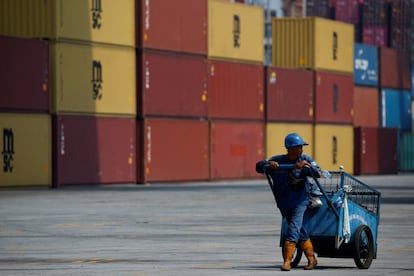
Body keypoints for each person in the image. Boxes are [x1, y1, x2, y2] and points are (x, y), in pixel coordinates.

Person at [256, 133, 320, 271]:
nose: (301, 149)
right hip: (283, 202)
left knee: (293, 228)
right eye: (299, 147)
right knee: (299, 229)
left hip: (300, 200)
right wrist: (268, 164)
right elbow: (258, 166)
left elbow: (318, 172)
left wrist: (305, 166)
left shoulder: (305, 158)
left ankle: (287, 262)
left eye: (302, 147)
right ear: (290, 148)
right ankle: (311, 258)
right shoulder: (278, 160)